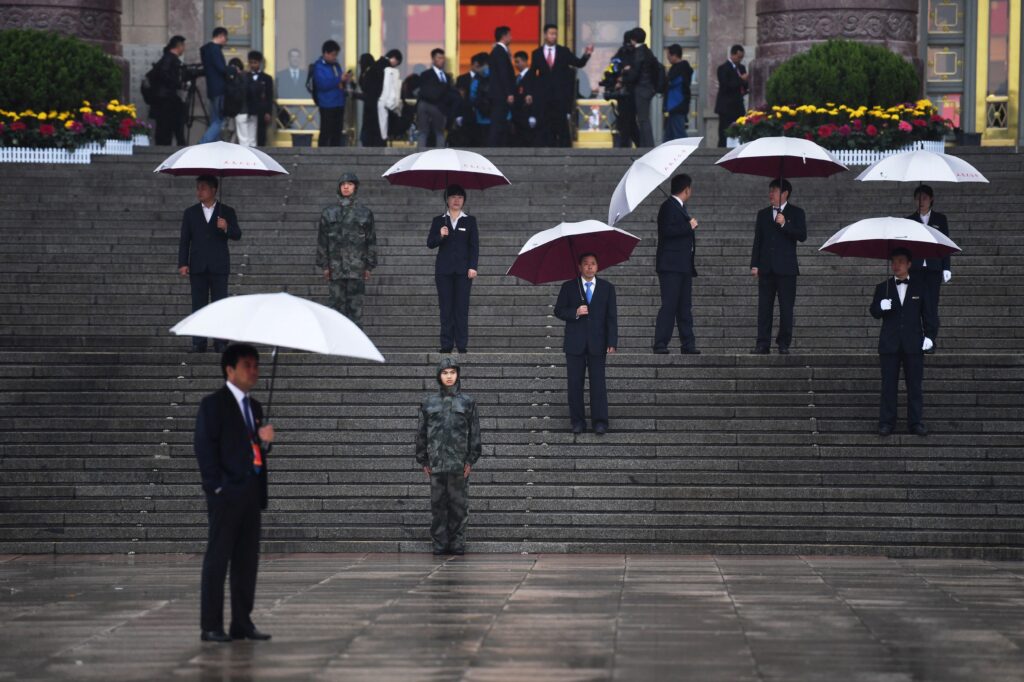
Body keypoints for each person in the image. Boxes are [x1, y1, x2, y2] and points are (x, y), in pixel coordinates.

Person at [194, 344, 275, 643]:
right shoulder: (213, 404)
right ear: (229, 370)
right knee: (218, 560)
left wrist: (265, 441)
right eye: (247, 365)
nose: (254, 371)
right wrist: (216, 487)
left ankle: (242, 622)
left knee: (246, 561)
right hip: (226, 493)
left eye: (256, 365)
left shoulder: (254, 407)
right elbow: (204, 448)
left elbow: (251, 448)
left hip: (251, 493)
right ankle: (211, 625)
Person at [415, 356, 482, 556]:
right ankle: (440, 543)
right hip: (436, 463)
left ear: (458, 375)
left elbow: (475, 433)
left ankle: (457, 543)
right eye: (445, 373)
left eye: (452, 372)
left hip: (459, 464)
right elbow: (421, 432)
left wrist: (471, 459)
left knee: (459, 506)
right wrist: (423, 459)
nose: (449, 376)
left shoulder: (468, 402)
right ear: (439, 376)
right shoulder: (429, 403)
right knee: (438, 506)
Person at [870, 248, 938, 437]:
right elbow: (874, 311)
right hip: (889, 344)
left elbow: (930, 314)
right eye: (894, 261)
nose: (896, 265)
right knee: (888, 386)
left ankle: (915, 422)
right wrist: (880, 307)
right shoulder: (883, 287)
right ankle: (886, 422)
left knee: (915, 385)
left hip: (913, 343)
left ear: (909, 264)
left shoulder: (920, 286)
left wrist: (930, 336)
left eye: (900, 261)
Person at [554, 253, 618, 435]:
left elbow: (611, 317)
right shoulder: (569, 287)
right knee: (575, 384)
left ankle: (600, 422)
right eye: (586, 264)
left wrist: (612, 341)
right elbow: (558, 310)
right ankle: (578, 422)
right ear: (580, 267)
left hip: (598, 343)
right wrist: (575, 311)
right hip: (575, 343)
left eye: (593, 264)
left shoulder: (607, 288)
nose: (589, 267)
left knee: (598, 384)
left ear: (598, 267)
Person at [178, 175, 241, 353]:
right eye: (198, 188)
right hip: (197, 265)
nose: (199, 191)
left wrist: (226, 227)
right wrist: (183, 262)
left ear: (214, 190)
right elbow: (185, 240)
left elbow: (237, 234)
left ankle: (221, 341)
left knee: (219, 304)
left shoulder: (226, 211)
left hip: (219, 265)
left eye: (203, 188)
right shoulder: (190, 213)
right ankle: (198, 342)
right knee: (198, 304)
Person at [750, 178, 806, 355]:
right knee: (764, 308)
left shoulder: (797, 213)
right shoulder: (763, 214)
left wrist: (784, 224)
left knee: (786, 308)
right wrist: (755, 264)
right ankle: (762, 343)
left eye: (774, 191)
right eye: (770, 191)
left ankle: (784, 343)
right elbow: (758, 241)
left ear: (785, 193)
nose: (770, 194)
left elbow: (802, 235)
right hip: (766, 268)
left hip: (787, 269)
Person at [316, 172, 377, 327]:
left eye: (349, 184)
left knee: (355, 309)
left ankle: (356, 346)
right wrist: (324, 265)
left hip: (357, 268)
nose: (346, 187)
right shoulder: (329, 213)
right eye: (343, 184)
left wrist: (369, 266)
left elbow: (371, 241)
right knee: (335, 308)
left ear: (355, 187)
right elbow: (322, 241)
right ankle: (336, 343)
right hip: (335, 268)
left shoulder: (365, 213)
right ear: (339, 187)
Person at [427, 185, 479, 353]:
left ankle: (462, 345)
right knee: (446, 309)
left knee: (461, 309)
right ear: (447, 200)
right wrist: (440, 235)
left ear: (464, 200)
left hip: (464, 272)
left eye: (460, 197)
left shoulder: (470, 221)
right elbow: (430, 243)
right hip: (444, 272)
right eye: (453, 197)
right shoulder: (439, 221)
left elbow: (474, 246)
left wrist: (473, 266)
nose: (456, 200)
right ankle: (446, 344)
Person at [654, 174, 700, 354]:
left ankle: (688, 344)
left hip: (683, 266)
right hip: (670, 266)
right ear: (686, 189)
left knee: (684, 307)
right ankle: (660, 343)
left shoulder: (680, 207)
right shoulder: (668, 207)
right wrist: (688, 226)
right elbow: (666, 231)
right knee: (670, 305)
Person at [530, 24, 593, 147]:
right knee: (545, 124)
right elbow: (533, 75)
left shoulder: (563, 51)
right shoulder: (536, 53)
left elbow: (578, 63)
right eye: (551, 34)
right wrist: (531, 93)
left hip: (560, 96)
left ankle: (564, 150)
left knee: (561, 125)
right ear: (545, 35)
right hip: (544, 97)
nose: (553, 36)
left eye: (555, 34)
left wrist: (586, 55)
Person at [907, 184, 951, 352]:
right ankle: (918, 338)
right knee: (915, 304)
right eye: (918, 198)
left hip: (933, 268)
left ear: (931, 199)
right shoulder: (909, 220)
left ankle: (930, 338)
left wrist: (946, 267)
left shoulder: (940, 219)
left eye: (924, 198)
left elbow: (945, 245)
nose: (921, 201)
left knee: (931, 305)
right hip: (916, 268)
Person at [622, 27, 656, 148]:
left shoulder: (639, 52)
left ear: (634, 39)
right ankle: (645, 145)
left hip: (642, 89)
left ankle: (648, 146)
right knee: (643, 118)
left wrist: (625, 75)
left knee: (643, 119)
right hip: (648, 89)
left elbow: (635, 74)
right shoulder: (647, 51)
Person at [312, 40, 350, 147]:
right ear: (325, 53)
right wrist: (339, 79)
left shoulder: (336, 65)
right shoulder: (319, 67)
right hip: (327, 104)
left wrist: (344, 80)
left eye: (336, 55)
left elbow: (338, 80)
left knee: (337, 132)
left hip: (339, 102)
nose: (335, 57)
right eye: (333, 55)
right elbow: (322, 84)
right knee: (326, 131)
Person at [152, 35, 187, 146]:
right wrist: (178, 84)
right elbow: (164, 74)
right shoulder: (169, 59)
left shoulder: (167, 58)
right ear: (179, 46)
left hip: (165, 98)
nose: (184, 49)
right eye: (183, 46)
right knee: (167, 126)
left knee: (167, 126)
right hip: (166, 98)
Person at [417, 48, 452, 148]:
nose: (442, 60)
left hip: (440, 107)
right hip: (427, 104)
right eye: (439, 58)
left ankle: (439, 157)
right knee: (424, 132)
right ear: (433, 59)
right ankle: (420, 155)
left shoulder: (447, 76)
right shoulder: (426, 74)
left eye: (443, 58)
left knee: (439, 132)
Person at [199, 27, 229, 144]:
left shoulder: (205, 49)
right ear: (221, 36)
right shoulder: (215, 49)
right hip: (219, 88)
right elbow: (221, 68)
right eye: (225, 38)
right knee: (219, 120)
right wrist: (232, 70)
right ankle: (203, 142)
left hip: (211, 88)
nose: (226, 41)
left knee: (214, 118)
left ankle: (213, 145)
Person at [715, 44, 748, 147]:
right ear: (732, 55)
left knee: (739, 131)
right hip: (726, 106)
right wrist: (741, 80)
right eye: (738, 57)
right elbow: (726, 85)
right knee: (724, 131)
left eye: (741, 57)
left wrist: (745, 85)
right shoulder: (723, 68)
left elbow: (744, 84)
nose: (740, 60)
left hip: (738, 104)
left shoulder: (741, 68)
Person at [488, 26, 516, 146]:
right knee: (498, 122)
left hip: (498, 93)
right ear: (504, 36)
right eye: (509, 35)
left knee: (500, 122)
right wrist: (509, 93)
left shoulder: (499, 51)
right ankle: (494, 148)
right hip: (500, 94)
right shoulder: (499, 52)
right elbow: (503, 74)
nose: (511, 37)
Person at [664, 44, 693, 140]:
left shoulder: (680, 68)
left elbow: (672, 83)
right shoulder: (680, 68)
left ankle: (686, 153)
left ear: (675, 55)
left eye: (669, 56)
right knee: (670, 135)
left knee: (678, 133)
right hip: (675, 105)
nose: (668, 58)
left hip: (677, 104)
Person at [510, 50, 537, 147]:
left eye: (518, 61)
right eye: (515, 62)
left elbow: (535, 96)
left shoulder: (533, 76)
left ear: (525, 61)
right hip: (517, 115)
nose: (516, 64)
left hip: (527, 114)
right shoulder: (516, 78)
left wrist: (533, 115)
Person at [358, 53, 385, 146]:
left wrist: (355, 95)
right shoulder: (368, 72)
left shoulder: (372, 73)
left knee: (371, 128)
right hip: (371, 106)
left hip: (372, 106)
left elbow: (369, 92)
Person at [378, 49, 403, 143]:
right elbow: (389, 87)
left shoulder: (378, 66)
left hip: (380, 101)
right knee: (384, 125)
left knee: (382, 125)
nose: (396, 65)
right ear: (394, 59)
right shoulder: (389, 70)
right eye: (397, 62)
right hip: (385, 101)